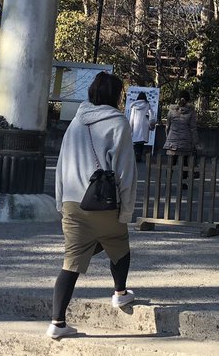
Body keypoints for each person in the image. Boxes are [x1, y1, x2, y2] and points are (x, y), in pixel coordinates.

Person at [47, 71, 137, 339]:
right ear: (116, 96)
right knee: (119, 244)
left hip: (72, 202)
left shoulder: (76, 122)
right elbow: (125, 171)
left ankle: (57, 323)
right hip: (103, 203)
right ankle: (120, 293)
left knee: (70, 262)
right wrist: (127, 210)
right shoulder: (118, 123)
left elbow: (61, 163)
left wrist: (61, 200)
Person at [163, 90, 200, 185]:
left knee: (171, 163)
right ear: (188, 100)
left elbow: (167, 127)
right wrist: (196, 142)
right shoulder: (191, 112)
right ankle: (183, 183)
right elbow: (193, 129)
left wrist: (168, 138)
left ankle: (168, 181)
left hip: (172, 142)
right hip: (185, 142)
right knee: (184, 163)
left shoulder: (171, 111)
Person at [128, 91, 152, 163]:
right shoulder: (147, 104)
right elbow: (150, 114)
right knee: (141, 142)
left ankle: (136, 155)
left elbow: (132, 117)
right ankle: (139, 156)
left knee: (136, 142)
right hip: (144, 125)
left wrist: (130, 127)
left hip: (136, 125)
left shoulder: (134, 106)